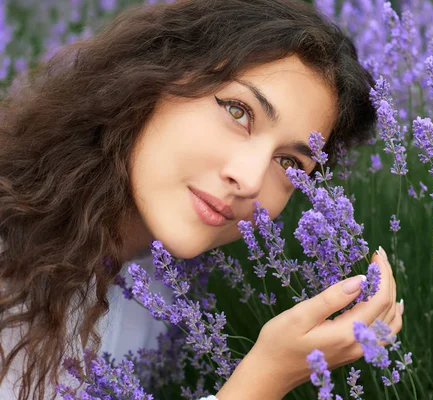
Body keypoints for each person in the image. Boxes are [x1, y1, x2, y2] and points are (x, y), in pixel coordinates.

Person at [0, 0, 404, 399]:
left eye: (288, 161)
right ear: (150, 80)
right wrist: (263, 381)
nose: (247, 180)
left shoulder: (166, 297)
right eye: (238, 112)